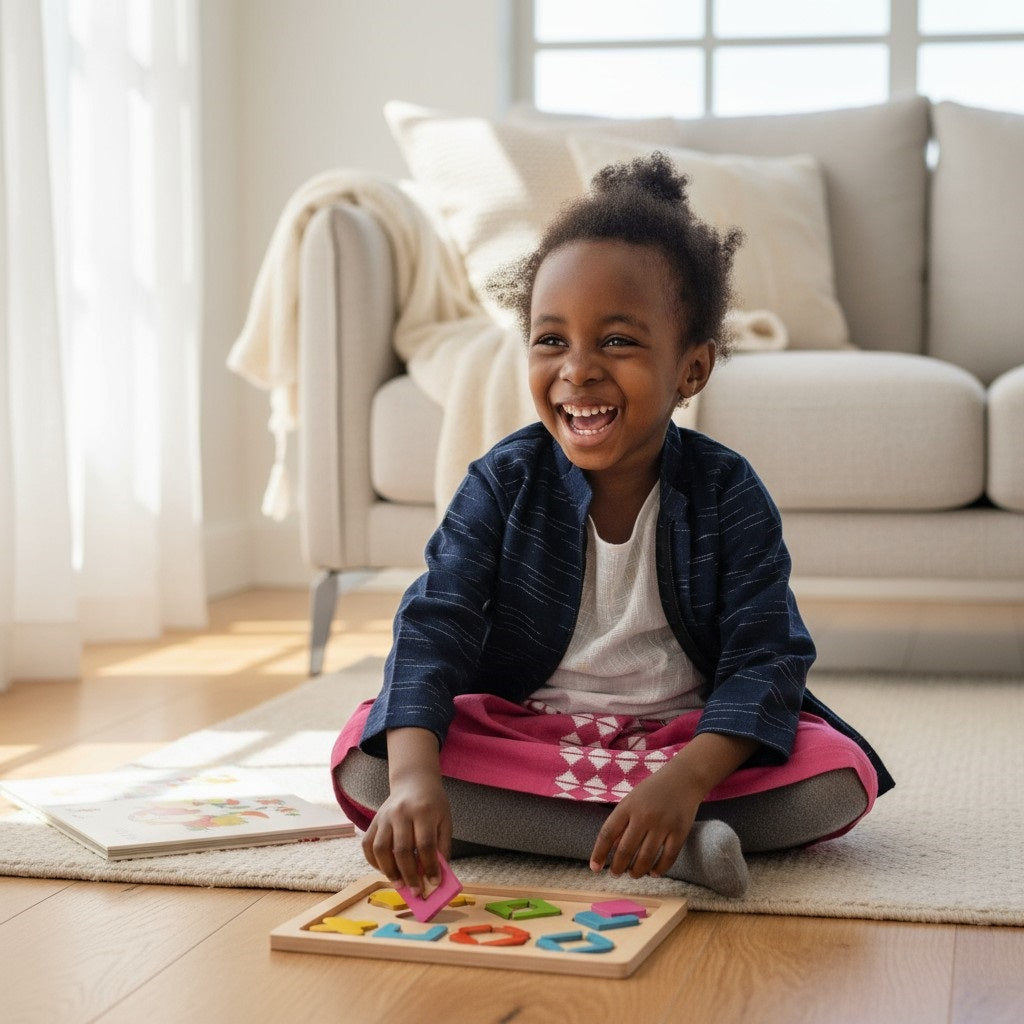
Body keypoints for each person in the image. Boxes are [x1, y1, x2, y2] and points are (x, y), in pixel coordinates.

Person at [331, 152, 893, 899]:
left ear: (691, 370)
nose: (578, 369)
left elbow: (767, 659)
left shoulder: (727, 492)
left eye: (618, 342)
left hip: (681, 745)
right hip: (528, 733)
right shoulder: (502, 483)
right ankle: (679, 850)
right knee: (368, 760)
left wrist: (685, 780)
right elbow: (437, 625)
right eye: (551, 339)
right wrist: (412, 781)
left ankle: (638, 822)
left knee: (835, 776)